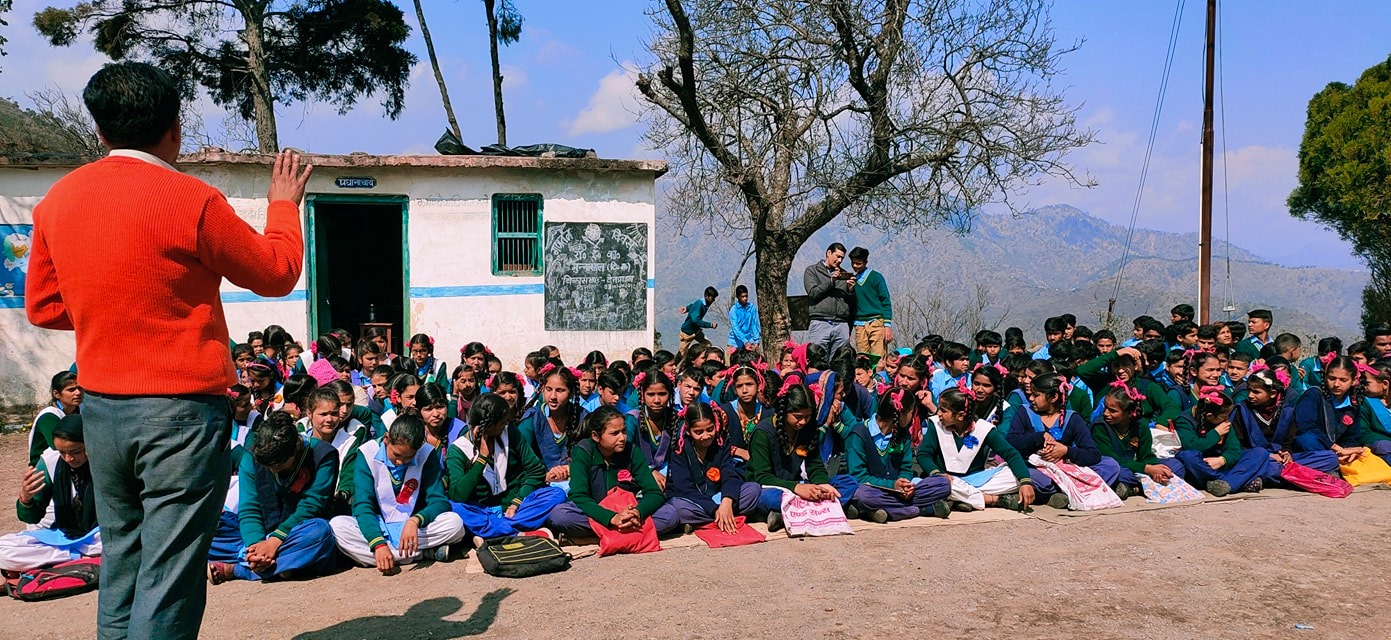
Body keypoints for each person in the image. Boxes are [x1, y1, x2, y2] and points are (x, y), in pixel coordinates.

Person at [24, 61, 310, 639]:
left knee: (124, 558)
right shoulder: (193, 200)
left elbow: (45, 308)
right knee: (172, 572)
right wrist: (283, 205)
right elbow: (277, 272)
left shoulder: (58, 201)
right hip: (180, 412)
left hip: (101, 409)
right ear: (174, 128)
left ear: (100, 131)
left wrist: (112, 307)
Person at [207, 411, 338, 585]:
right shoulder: (252, 457)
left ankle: (238, 569)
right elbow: (249, 508)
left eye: (277, 466)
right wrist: (255, 546)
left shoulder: (323, 455)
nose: (272, 471)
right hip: (258, 539)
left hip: (295, 532)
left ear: (295, 450)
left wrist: (274, 541)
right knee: (207, 531)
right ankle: (273, 564)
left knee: (320, 532)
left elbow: (312, 506)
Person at [330, 413, 466, 574]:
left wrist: (415, 521)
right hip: (379, 526)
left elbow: (439, 501)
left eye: (409, 457)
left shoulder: (426, 454)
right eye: (396, 455)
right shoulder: (367, 453)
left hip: (413, 528)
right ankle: (421, 553)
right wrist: (378, 543)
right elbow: (362, 506)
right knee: (337, 526)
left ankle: (385, 557)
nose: (401, 462)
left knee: (454, 524)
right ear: (386, 439)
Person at [445, 394, 566, 540]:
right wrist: (481, 459)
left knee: (556, 494)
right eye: (502, 423)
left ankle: (497, 531)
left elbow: (536, 470)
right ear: (490, 426)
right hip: (481, 511)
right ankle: (518, 532)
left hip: (516, 509)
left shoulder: (511, 432)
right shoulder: (457, 450)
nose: (506, 424)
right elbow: (458, 495)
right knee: (453, 507)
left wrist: (516, 502)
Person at [546, 407, 679, 539]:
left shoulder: (632, 451)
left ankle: (610, 532)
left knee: (669, 515)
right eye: (615, 433)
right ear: (596, 436)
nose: (622, 438)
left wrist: (638, 512)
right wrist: (611, 518)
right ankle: (626, 531)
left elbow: (654, 492)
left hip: (628, 509)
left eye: (624, 431)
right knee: (560, 515)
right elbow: (579, 496)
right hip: (596, 511)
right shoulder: (583, 452)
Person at [745, 382, 858, 531]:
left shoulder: (808, 428)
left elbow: (815, 465)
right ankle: (829, 507)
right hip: (771, 488)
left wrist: (821, 485)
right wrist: (797, 488)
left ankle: (792, 512)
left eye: (807, 416)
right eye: (798, 417)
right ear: (784, 412)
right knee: (768, 497)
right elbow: (762, 476)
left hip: (799, 485)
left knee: (848, 482)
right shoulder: (763, 433)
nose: (803, 422)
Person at [0, 415, 101, 572]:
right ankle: (78, 558)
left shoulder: (105, 460)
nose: (69, 458)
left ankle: (65, 558)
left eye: (76, 451)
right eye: (62, 452)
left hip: (98, 535)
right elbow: (32, 517)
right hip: (63, 536)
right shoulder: (50, 461)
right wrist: (26, 499)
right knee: (3, 550)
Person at [844, 389, 953, 522]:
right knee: (862, 495)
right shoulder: (858, 434)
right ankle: (921, 509)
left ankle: (883, 511)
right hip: (874, 489)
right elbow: (859, 476)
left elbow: (906, 467)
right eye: (911, 412)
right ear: (902, 414)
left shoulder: (903, 433)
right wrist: (892, 485)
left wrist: (904, 484)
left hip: (900, 491)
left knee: (943, 484)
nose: (912, 416)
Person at [917, 388, 1034, 511]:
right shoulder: (935, 425)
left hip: (976, 481)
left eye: (943, 410)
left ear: (961, 415)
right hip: (945, 481)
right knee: (925, 484)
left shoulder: (983, 428)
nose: (938, 413)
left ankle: (957, 498)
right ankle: (994, 499)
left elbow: (1011, 453)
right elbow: (924, 454)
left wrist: (1025, 482)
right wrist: (937, 473)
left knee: (1014, 477)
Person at [663, 403, 762, 532]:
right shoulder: (679, 449)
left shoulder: (721, 441)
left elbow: (729, 473)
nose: (706, 436)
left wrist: (727, 501)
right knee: (678, 508)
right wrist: (715, 509)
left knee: (753, 490)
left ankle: (714, 518)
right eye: (698, 432)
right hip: (694, 502)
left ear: (715, 424)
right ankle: (722, 517)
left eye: (710, 429)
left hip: (719, 497)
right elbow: (684, 488)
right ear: (688, 430)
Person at [804, 243, 855, 356]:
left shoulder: (844, 274)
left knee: (840, 360)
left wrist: (851, 290)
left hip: (841, 323)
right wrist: (831, 281)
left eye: (842, 257)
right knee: (817, 359)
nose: (840, 260)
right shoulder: (812, 271)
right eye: (837, 256)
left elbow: (851, 303)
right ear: (829, 253)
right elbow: (813, 293)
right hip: (820, 322)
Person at [848, 246, 894, 360]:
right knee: (862, 358)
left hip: (876, 322)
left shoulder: (876, 277)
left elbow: (886, 301)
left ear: (865, 262)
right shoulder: (851, 280)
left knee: (878, 358)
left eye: (858, 264)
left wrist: (887, 326)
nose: (855, 266)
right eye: (853, 263)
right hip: (859, 324)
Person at [28, 371, 83, 467]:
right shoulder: (49, 416)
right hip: (45, 467)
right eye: (71, 390)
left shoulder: (79, 412)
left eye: (80, 388)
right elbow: (59, 446)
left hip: (71, 460)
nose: (78, 393)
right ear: (57, 394)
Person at [679, 286, 720, 356]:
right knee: (681, 354)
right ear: (707, 296)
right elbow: (695, 320)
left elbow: (693, 306)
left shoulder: (705, 304)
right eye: (712, 298)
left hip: (696, 331)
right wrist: (710, 325)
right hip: (687, 333)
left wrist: (687, 308)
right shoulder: (699, 303)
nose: (713, 300)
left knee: (708, 345)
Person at [727, 285, 762, 352]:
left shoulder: (751, 308)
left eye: (746, 296)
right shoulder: (733, 310)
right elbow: (736, 328)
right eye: (742, 297)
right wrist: (745, 341)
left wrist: (756, 341)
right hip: (735, 342)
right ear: (737, 297)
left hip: (749, 340)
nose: (745, 298)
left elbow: (754, 324)